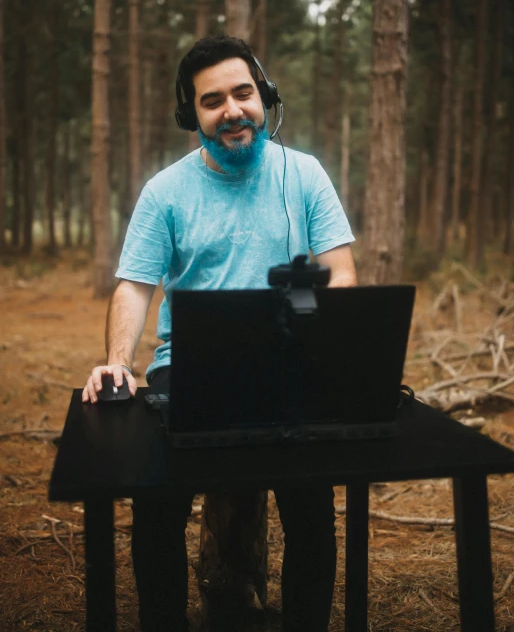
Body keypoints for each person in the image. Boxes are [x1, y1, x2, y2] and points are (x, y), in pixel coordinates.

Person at [82, 35, 357, 632]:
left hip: (289, 359)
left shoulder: (305, 175)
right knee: (157, 502)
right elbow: (134, 285)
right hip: (188, 366)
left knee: (312, 505)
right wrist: (117, 360)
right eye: (213, 101)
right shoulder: (165, 191)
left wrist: (326, 343)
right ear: (193, 116)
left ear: (265, 98)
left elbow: (341, 273)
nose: (232, 111)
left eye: (243, 93)